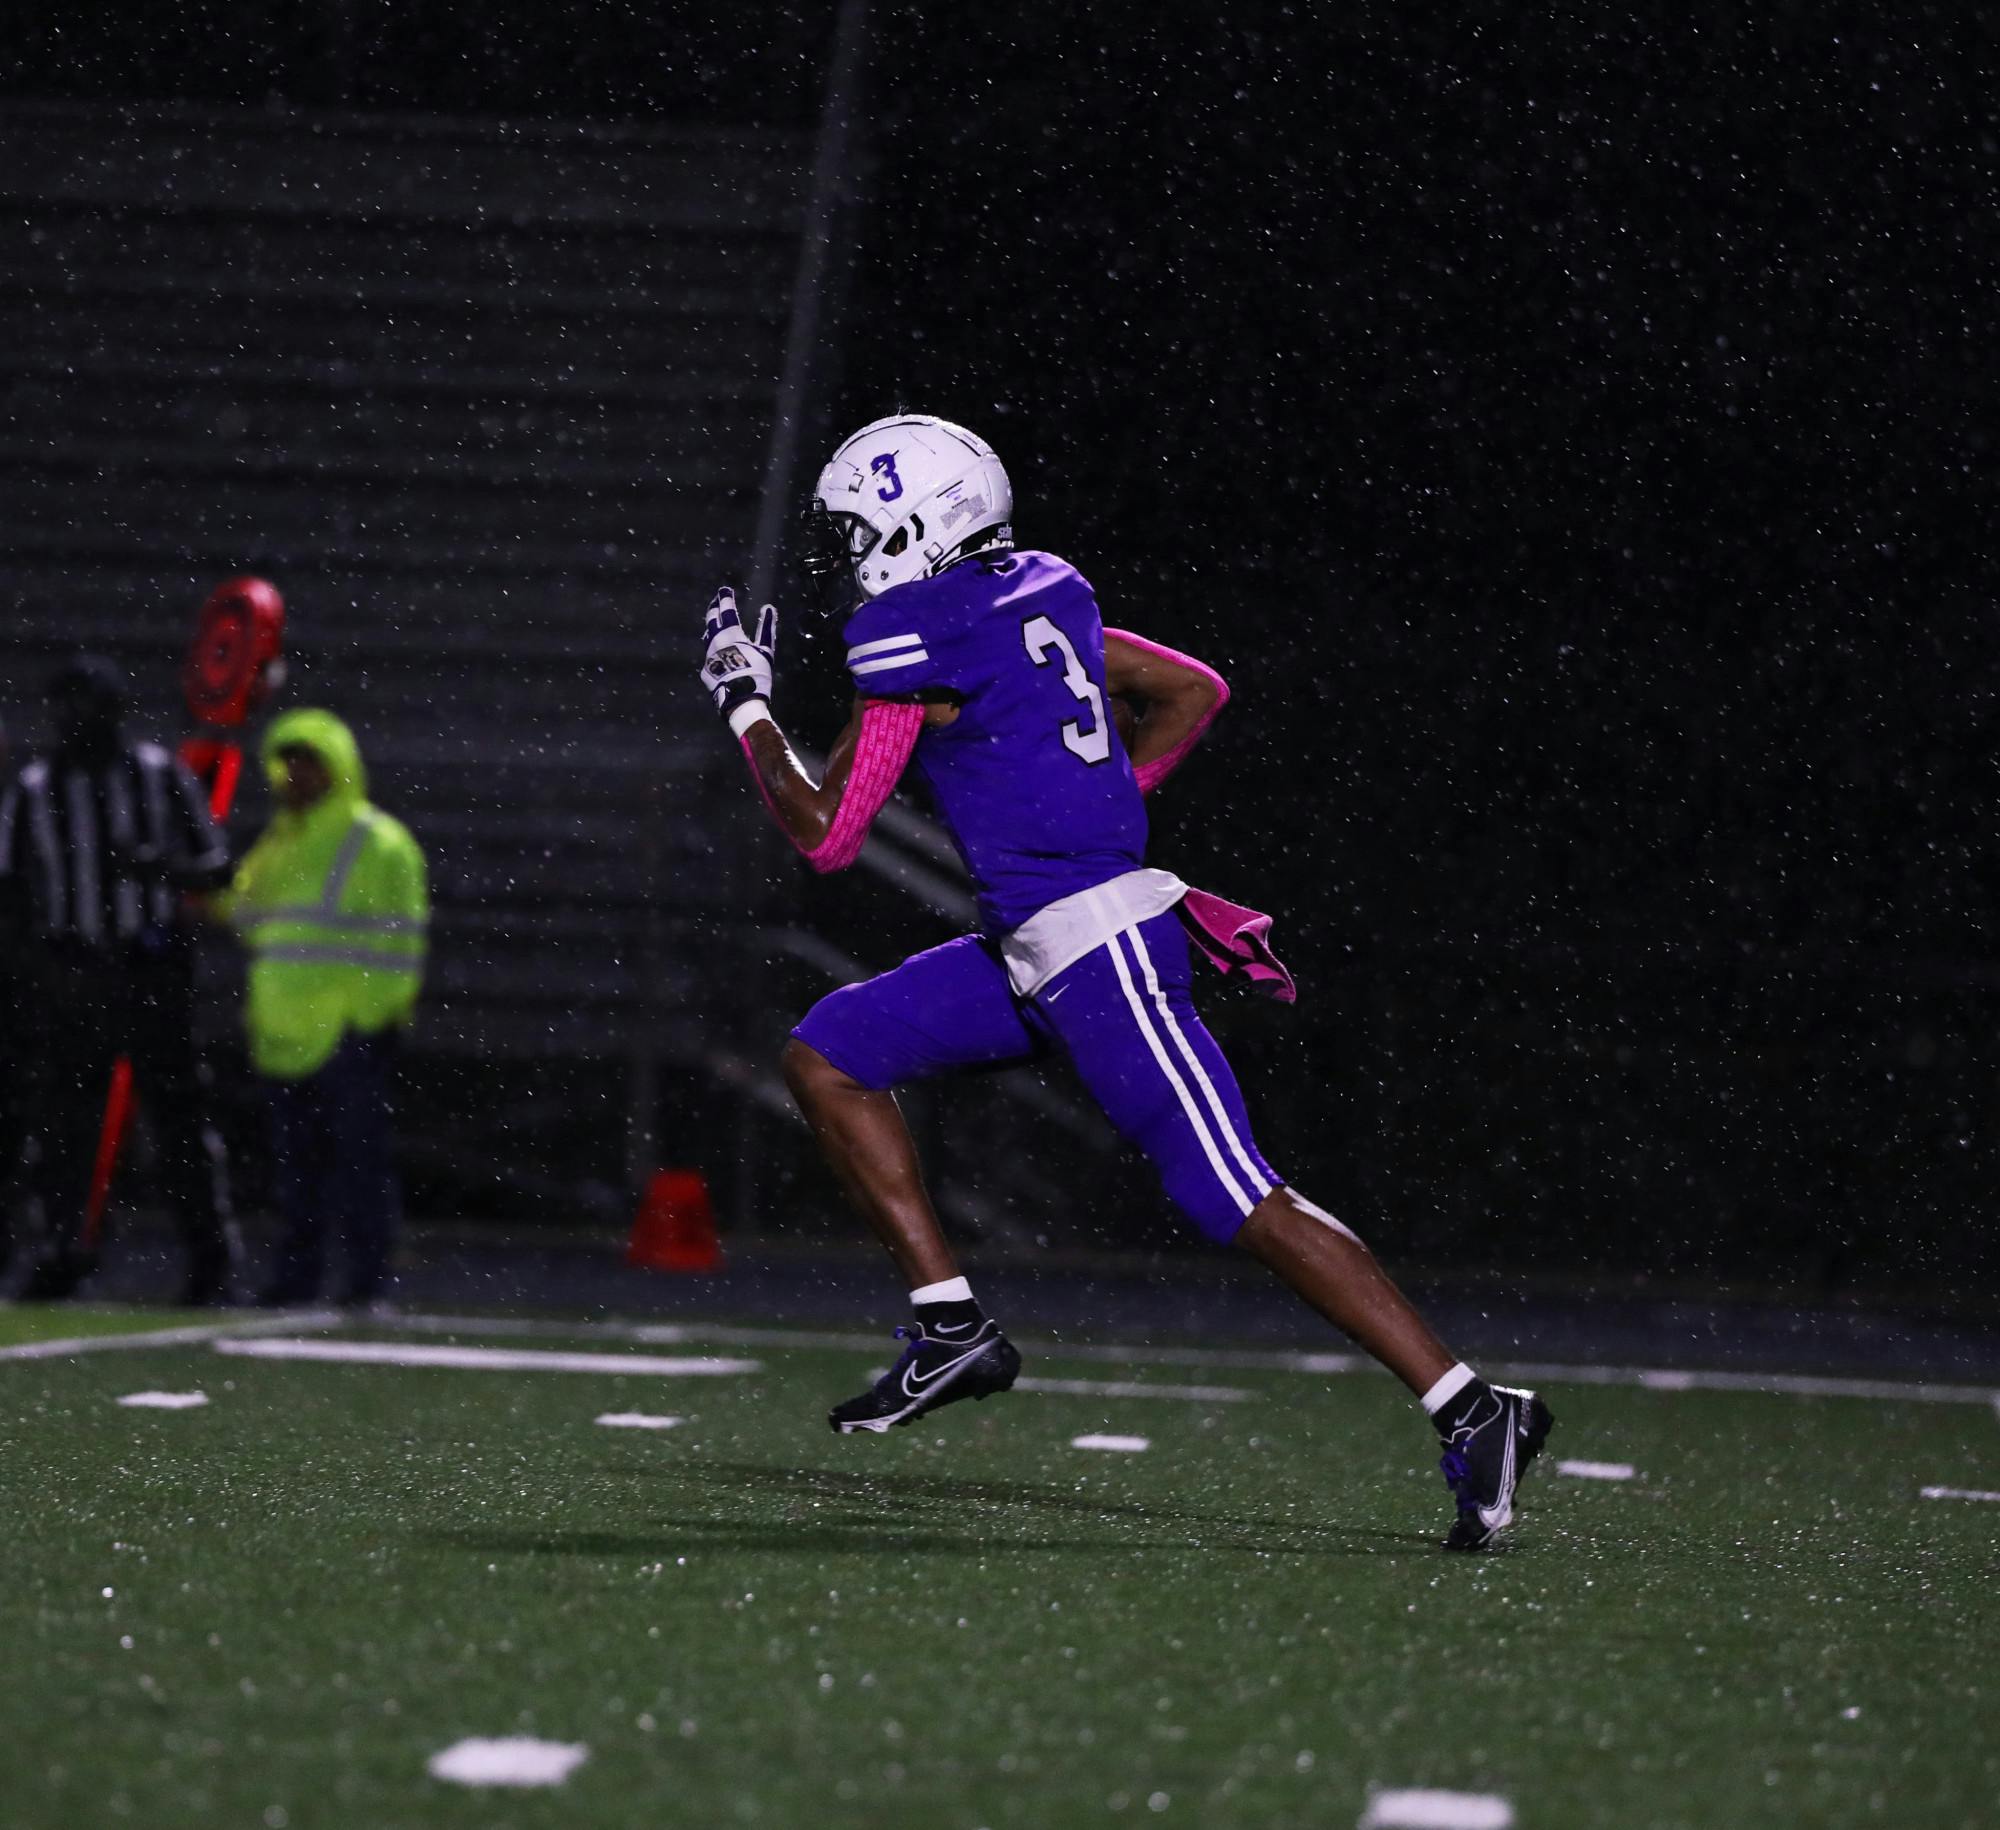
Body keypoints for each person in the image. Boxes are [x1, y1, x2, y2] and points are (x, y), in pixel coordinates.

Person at [700, 414, 1556, 1550]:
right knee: (831, 1051)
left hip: (1094, 952)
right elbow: (1191, 691)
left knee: (1235, 1196)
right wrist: (1100, 809)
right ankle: (948, 1325)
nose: (850, 550)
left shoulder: (905, 629)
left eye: (860, 525)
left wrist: (743, 701)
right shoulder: (1043, 584)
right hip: (1032, 945)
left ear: (914, 520)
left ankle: (1470, 1405)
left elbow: (826, 832)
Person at [0, 657, 242, 1302]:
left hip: (150, 972)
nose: (75, 719)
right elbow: (12, 890)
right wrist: (40, 973)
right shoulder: (33, 788)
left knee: (178, 1123)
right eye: (66, 705)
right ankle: (63, 1251)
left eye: (87, 705)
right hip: (72, 978)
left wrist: (158, 867)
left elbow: (217, 866)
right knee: (65, 1131)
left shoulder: (160, 777)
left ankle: (209, 1262)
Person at [212, 708, 427, 1308]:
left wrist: (375, 1016)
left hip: (346, 1029)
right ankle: (299, 1279)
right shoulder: (280, 842)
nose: (296, 776)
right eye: (289, 764)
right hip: (285, 1031)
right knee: (299, 1172)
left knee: (356, 1166)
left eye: (309, 763)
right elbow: (247, 916)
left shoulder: (378, 843)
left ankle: (365, 1283)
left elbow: (402, 940)